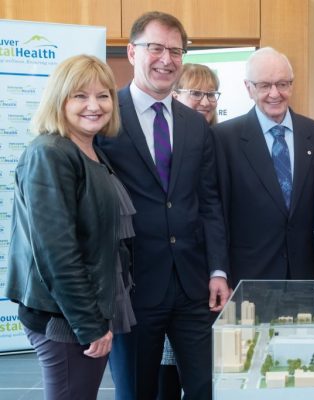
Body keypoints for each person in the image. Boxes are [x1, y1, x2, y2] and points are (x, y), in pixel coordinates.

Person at [96, 11, 229, 400]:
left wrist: (218, 269)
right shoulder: (105, 117)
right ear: (132, 52)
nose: (166, 59)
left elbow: (209, 202)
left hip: (193, 288)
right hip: (132, 289)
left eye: (176, 50)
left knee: (208, 388)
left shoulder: (194, 124)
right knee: (136, 391)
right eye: (156, 48)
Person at [5, 54, 133, 399]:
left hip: (83, 312)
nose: (94, 105)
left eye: (103, 95)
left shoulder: (88, 150)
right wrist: (90, 324)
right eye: (80, 95)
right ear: (59, 100)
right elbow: (56, 252)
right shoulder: (50, 153)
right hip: (65, 319)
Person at [213, 47, 314, 286]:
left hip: (306, 275)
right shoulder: (224, 138)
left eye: (282, 84)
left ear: (292, 85)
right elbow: (217, 212)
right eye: (265, 85)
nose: (275, 93)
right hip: (249, 275)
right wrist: (219, 271)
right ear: (248, 88)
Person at [158, 62, 222, 400]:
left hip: (204, 278)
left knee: (204, 381)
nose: (206, 101)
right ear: (174, 94)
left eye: (211, 94)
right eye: (196, 93)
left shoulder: (217, 138)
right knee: (164, 381)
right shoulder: (161, 143)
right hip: (165, 279)